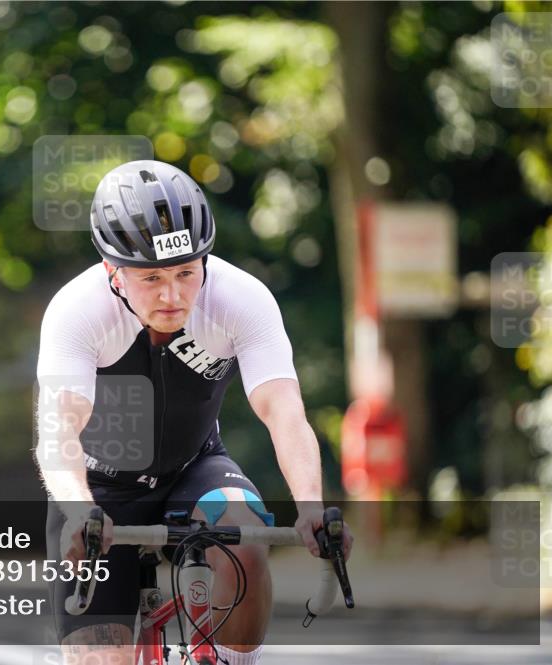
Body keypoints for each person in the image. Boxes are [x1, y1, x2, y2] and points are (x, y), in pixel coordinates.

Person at [33, 160, 353, 665]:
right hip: (99, 492)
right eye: (151, 278)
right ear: (112, 272)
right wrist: (77, 507)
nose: (172, 295)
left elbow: (284, 410)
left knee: (244, 536)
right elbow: (60, 425)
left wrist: (310, 507)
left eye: (186, 272)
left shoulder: (240, 298)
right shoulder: (77, 311)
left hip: (195, 467)